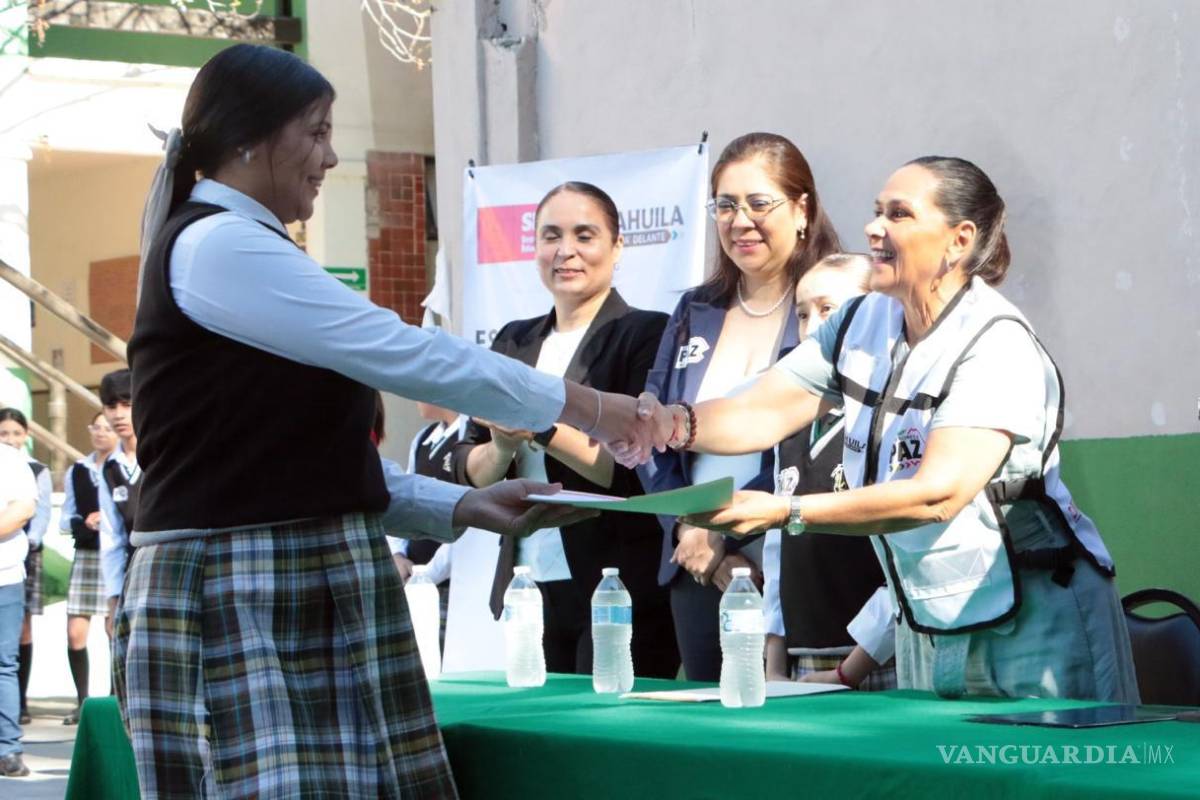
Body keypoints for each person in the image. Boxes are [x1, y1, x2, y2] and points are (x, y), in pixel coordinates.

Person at [120, 44, 663, 798]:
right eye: (315, 132)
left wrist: (461, 504)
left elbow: (299, 458)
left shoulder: (236, 243)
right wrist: (594, 407)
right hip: (240, 581)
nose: (329, 156)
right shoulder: (219, 244)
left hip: (294, 569)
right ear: (248, 139)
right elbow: (407, 353)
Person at [624, 156, 1139, 702]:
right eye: (876, 211)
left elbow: (936, 494)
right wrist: (668, 423)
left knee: (1041, 762)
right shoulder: (861, 321)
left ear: (959, 240)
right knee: (929, 761)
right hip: (925, 624)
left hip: (1035, 619)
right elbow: (763, 409)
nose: (874, 227)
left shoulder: (996, 342)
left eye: (899, 214)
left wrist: (784, 511)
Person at [453, 181, 679, 679]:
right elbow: (470, 467)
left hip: (619, 583)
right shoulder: (513, 340)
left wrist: (540, 422)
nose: (566, 251)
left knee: (612, 717)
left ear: (617, 246)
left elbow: (627, 468)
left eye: (584, 235)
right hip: (527, 579)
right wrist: (502, 446)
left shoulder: (647, 332)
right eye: (551, 236)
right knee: (537, 714)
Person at [639, 132, 840, 681]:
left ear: (802, 210)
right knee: (710, 722)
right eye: (726, 205)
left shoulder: (834, 306)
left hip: (793, 558)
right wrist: (688, 530)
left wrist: (729, 535)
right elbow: (653, 431)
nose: (740, 220)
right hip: (698, 563)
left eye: (758, 203)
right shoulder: (696, 309)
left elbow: (817, 432)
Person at [760, 254, 894, 689]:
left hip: (878, 660)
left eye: (828, 310)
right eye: (802, 314)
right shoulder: (790, 421)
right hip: (801, 661)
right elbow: (777, 549)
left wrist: (851, 668)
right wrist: (774, 661)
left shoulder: (889, 414)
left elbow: (906, 565)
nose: (811, 328)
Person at [60, 411, 118, 724]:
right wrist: (84, 523)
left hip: (115, 552)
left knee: (114, 629)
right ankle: (81, 701)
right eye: (96, 427)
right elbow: (65, 517)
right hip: (86, 553)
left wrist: (106, 519)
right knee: (75, 632)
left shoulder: (124, 466)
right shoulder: (78, 470)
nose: (101, 432)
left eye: (107, 428)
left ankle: (114, 699)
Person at [0, 409, 51, 726]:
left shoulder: (19, 463)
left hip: (11, 568)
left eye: (16, 432)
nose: (10, 438)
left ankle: (8, 742)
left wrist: (31, 542)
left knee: (6, 658)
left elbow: (29, 511)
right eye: (4, 432)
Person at [0, 423, 35, 777]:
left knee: (2, 664)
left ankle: (7, 749)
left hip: (4, 578)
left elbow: (22, 509)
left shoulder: (10, 460)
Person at [94, 370, 140, 640]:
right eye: (111, 407)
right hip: (130, 574)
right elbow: (111, 538)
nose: (119, 415)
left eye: (127, 404)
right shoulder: (109, 468)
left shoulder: (163, 454)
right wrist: (113, 598)